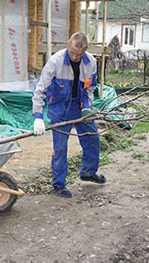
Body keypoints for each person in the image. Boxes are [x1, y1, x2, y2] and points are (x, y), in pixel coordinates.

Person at [32, 32, 106, 198]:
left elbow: (89, 87)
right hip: (59, 110)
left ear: (85, 50)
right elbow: (39, 89)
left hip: (79, 108)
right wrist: (38, 116)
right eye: (72, 52)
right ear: (68, 45)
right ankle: (58, 185)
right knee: (60, 148)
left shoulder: (91, 62)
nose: (75, 57)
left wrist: (87, 106)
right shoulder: (55, 61)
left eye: (79, 54)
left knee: (92, 137)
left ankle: (88, 172)